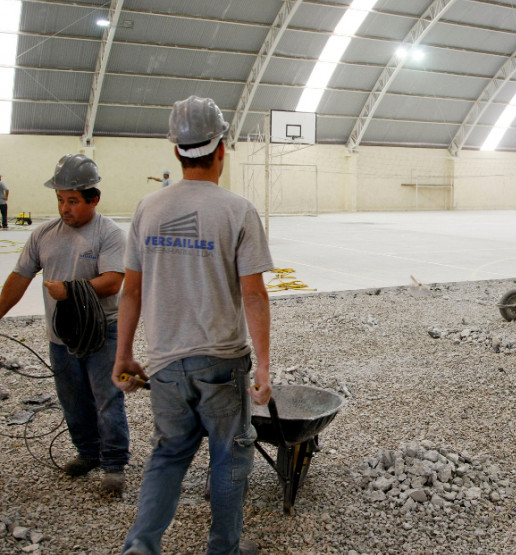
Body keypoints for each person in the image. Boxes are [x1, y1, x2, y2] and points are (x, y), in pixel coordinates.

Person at [114, 95, 273, 555]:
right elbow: (254, 294)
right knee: (228, 459)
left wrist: (124, 355)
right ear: (221, 147)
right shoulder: (237, 210)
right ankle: (223, 549)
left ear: (177, 151)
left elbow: (131, 291)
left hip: (164, 362)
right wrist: (263, 365)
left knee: (166, 455)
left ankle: (140, 548)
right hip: (221, 363)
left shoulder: (148, 208)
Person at [0, 154, 130, 493]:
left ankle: (114, 464)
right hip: (62, 337)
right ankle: (88, 452)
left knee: (107, 398)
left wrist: (69, 290)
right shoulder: (43, 235)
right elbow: (18, 277)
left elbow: (114, 280)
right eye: (60, 200)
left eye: (72, 201)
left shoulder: (110, 233)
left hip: (103, 333)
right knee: (72, 398)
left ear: (93, 198)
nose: (64, 208)